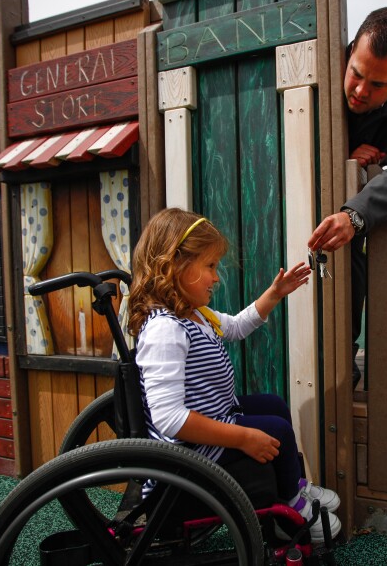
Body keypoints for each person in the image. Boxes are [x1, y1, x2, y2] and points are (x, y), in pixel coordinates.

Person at [127, 208, 341, 542]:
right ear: (174, 266)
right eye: (209, 266)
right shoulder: (165, 330)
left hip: (212, 417)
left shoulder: (196, 314)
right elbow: (169, 420)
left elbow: (238, 326)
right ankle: (291, 509)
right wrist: (243, 437)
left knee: (272, 405)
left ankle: (294, 486)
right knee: (276, 430)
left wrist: (274, 294)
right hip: (190, 451)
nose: (216, 277)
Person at [307, 7, 387, 389]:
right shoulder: (319, 65)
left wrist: (354, 215)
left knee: (352, 274)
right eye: (356, 74)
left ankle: (346, 359)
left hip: (350, 220)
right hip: (301, 200)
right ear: (348, 55)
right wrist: (346, 152)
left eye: (377, 84)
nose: (360, 91)